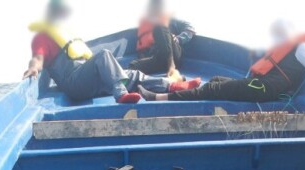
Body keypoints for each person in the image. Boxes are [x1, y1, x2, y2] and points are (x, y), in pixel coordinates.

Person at [23, 0, 201, 104]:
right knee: (104, 55)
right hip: (74, 84)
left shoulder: (66, 34)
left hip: (87, 79)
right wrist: (33, 69)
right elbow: (37, 58)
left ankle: (173, 86)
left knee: (132, 74)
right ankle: (120, 94)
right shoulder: (42, 37)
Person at [139, 19, 305, 103]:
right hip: (261, 85)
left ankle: (157, 97)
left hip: (265, 89)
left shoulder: (300, 48)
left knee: (212, 89)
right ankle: (179, 90)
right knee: (216, 79)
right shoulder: (284, 48)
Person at [129, 0, 196, 76]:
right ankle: (155, 82)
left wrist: (178, 39)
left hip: (174, 55)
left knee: (160, 26)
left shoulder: (173, 21)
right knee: (133, 65)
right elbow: (142, 50)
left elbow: (190, 29)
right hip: (158, 58)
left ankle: (171, 65)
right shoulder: (146, 26)